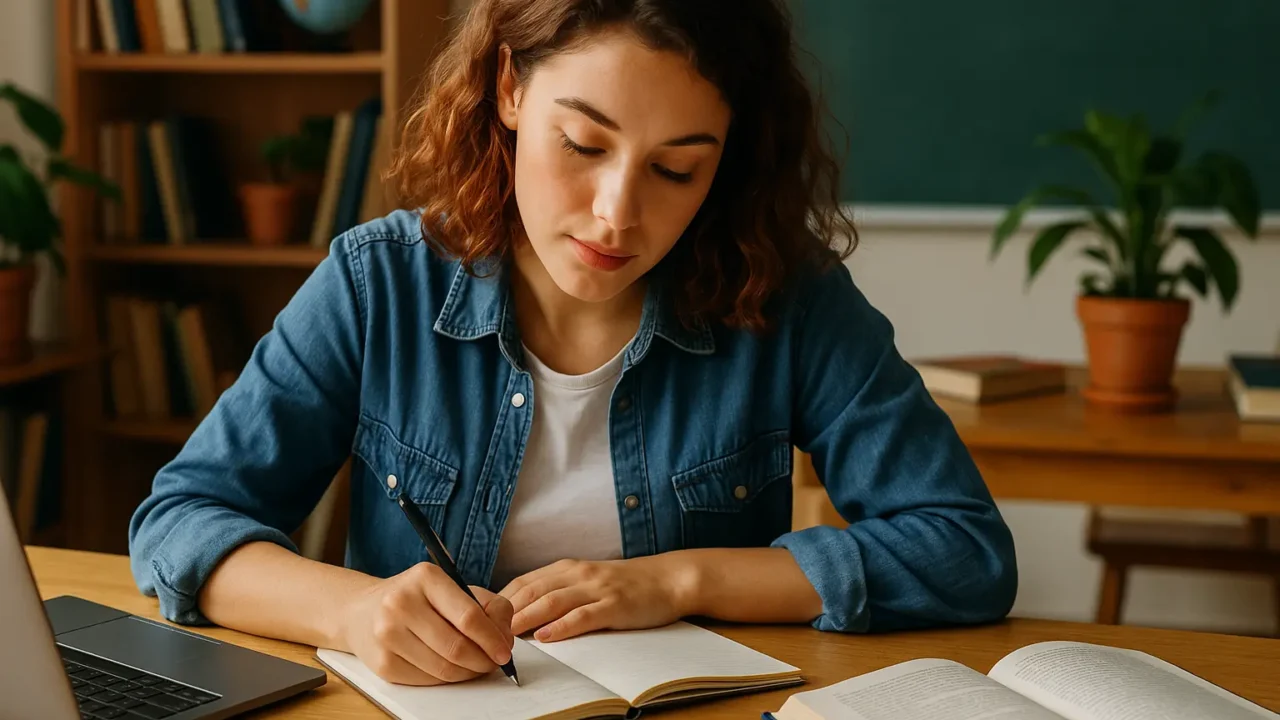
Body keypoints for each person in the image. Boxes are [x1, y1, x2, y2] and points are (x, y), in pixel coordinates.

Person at [127, 0, 1017, 688]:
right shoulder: (378, 285)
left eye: (678, 168)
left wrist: (679, 583)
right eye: (584, 143)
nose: (617, 214)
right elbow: (181, 522)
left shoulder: (791, 299)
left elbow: (963, 552)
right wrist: (356, 613)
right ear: (511, 90)